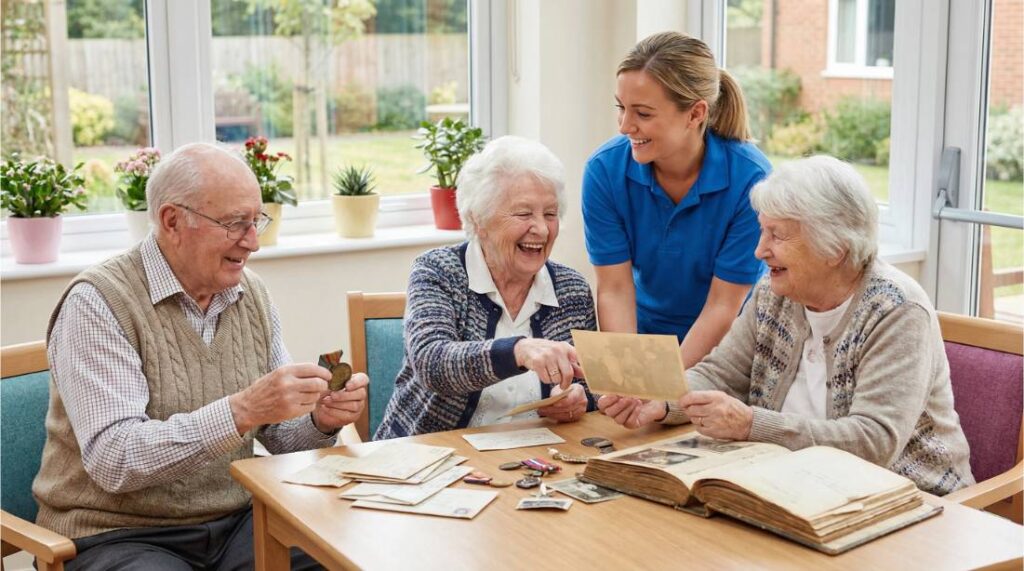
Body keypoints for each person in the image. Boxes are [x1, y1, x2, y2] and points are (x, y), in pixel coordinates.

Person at [33, 143, 369, 570]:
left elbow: (279, 436)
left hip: (236, 521)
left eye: (256, 222)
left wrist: (321, 420)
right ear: (172, 220)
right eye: (234, 223)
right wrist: (240, 411)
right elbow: (114, 461)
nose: (253, 242)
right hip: (117, 533)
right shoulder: (98, 303)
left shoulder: (252, 294)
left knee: (347, 556)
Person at [598, 156, 975, 496]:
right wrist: (661, 401)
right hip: (791, 484)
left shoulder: (896, 311)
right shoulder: (774, 292)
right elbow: (722, 373)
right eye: (762, 232)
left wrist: (752, 425)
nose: (759, 251)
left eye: (776, 235)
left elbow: (873, 441)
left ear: (835, 248)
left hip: (906, 497)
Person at [375, 136, 595, 440]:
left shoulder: (572, 290)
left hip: (533, 463)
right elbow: (432, 362)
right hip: (428, 459)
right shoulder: (438, 271)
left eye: (550, 214)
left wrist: (577, 401)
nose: (542, 229)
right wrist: (519, 350)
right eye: (523, 213)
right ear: (479, 219)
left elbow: (590, 385)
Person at [582, 31, 771, 367]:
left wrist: (667, 386)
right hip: (645, 341)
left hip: (728, 353)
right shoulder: (604, 171)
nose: (625, 126)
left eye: (642, 113)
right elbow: (614, 289)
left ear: (696, 114)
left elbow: (723, 306)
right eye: (621, 108)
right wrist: (628, 374)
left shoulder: (752, 181)